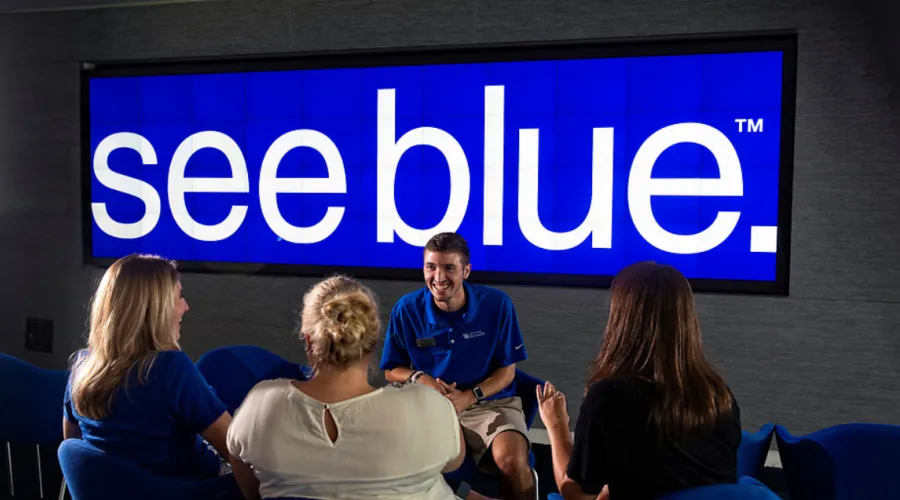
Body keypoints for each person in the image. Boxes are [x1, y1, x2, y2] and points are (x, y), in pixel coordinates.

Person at [226, 275, 493, 500]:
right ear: (373, 340)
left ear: (308, 340)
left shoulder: (260, 406)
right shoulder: (430, 407)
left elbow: (252, 491)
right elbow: (455, 463)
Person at [536, 262, 742, 500]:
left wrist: (557, 425)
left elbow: (576, 494)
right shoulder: (719, 395)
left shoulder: (609, 398)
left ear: (623, 319)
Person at [381, 232, 535, 500]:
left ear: (466, 270)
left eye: (449, 268)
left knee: (512, 461)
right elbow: (391, 369)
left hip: (489, 403)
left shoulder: (497, 305)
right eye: (431, 267)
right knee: (413, 464)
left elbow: (507, 372)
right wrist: (419, 377)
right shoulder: (406, 309)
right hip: (430, 406)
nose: (438, 278)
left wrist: (469, 396)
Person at [62, 254, 237, 480]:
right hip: (191, 490)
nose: (186, 307)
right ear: (155, 309)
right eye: (179, 296)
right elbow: (235, 450)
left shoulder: (82, 366)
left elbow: (74, 447)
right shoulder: (171, 369)